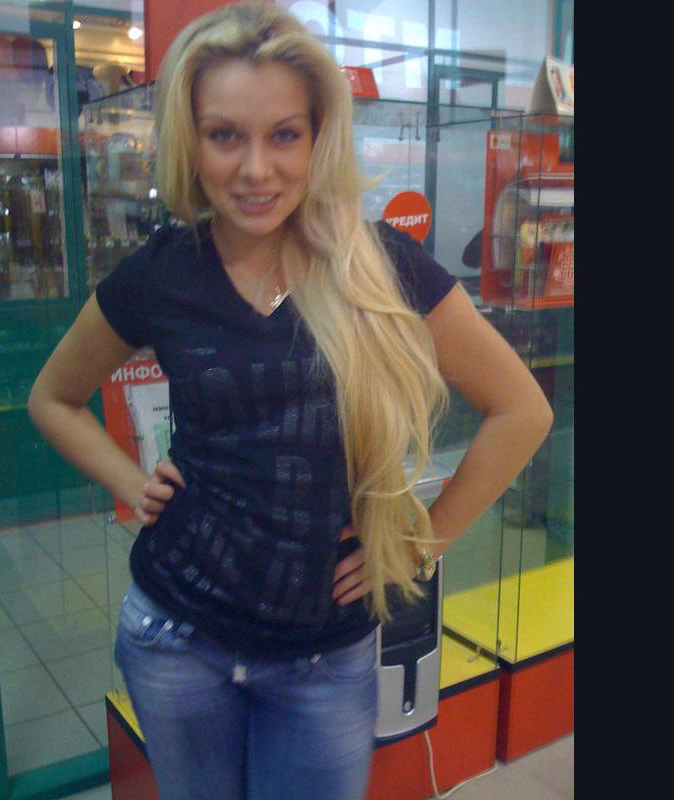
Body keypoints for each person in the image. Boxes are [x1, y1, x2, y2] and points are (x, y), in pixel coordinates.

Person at [28, 3, 553, 798]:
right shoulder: (162, 273)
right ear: (191, 140)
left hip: (326, 656)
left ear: (318, 139)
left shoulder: (379, 266)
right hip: (176, 636)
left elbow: (522, 411)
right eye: (224, 135)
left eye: (283, 135)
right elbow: (54, 398)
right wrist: (131, 482)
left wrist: (424, 543)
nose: (255, 170)